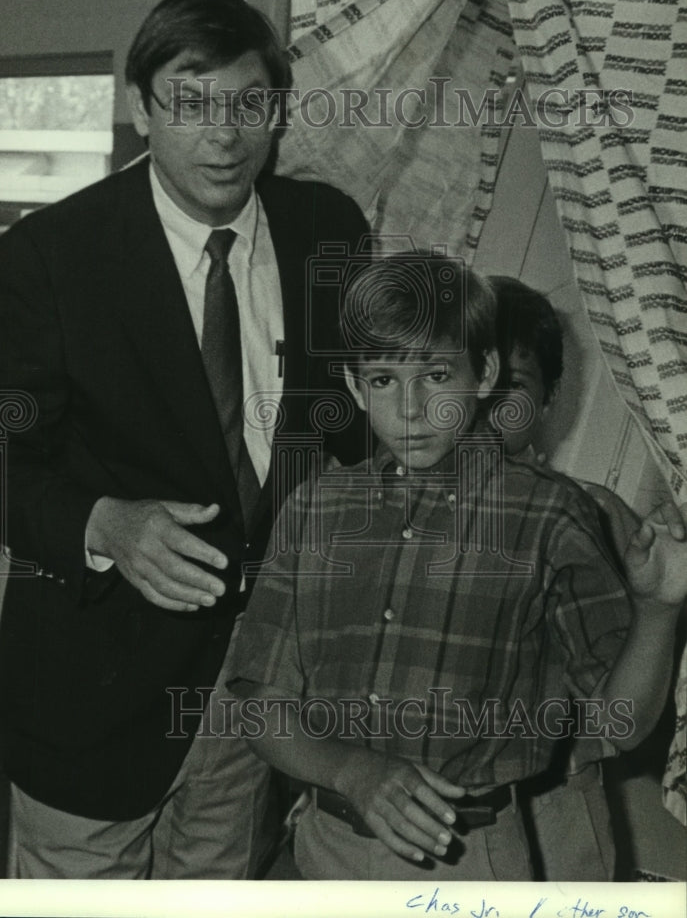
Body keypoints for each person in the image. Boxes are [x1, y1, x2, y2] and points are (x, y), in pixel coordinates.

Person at [0, 0, 368, 879]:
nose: (224, 133)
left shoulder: (324, 230)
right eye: (190, 101)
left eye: (248, 103)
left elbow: (340, 423)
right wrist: (105, 524)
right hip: (91, 693)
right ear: (140, 107)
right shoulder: (51, 256)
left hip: (256, 689)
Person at [227, 255, 687, 881]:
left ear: (484, 372)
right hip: (322, 850)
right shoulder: (315, 506)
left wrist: (659, 610)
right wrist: (352, 771)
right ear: (356, 386)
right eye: (384, 380)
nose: (412, 409)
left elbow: (619, 725)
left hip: (468, 862)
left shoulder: (550, 515)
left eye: (437, 374)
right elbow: (261, 705)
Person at [490, 273, 686, 880]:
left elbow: (629, 718)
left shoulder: (596, 516)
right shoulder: (372, 510)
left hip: (555, 817)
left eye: (511, 384)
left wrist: (658, 607)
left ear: (549, 398)